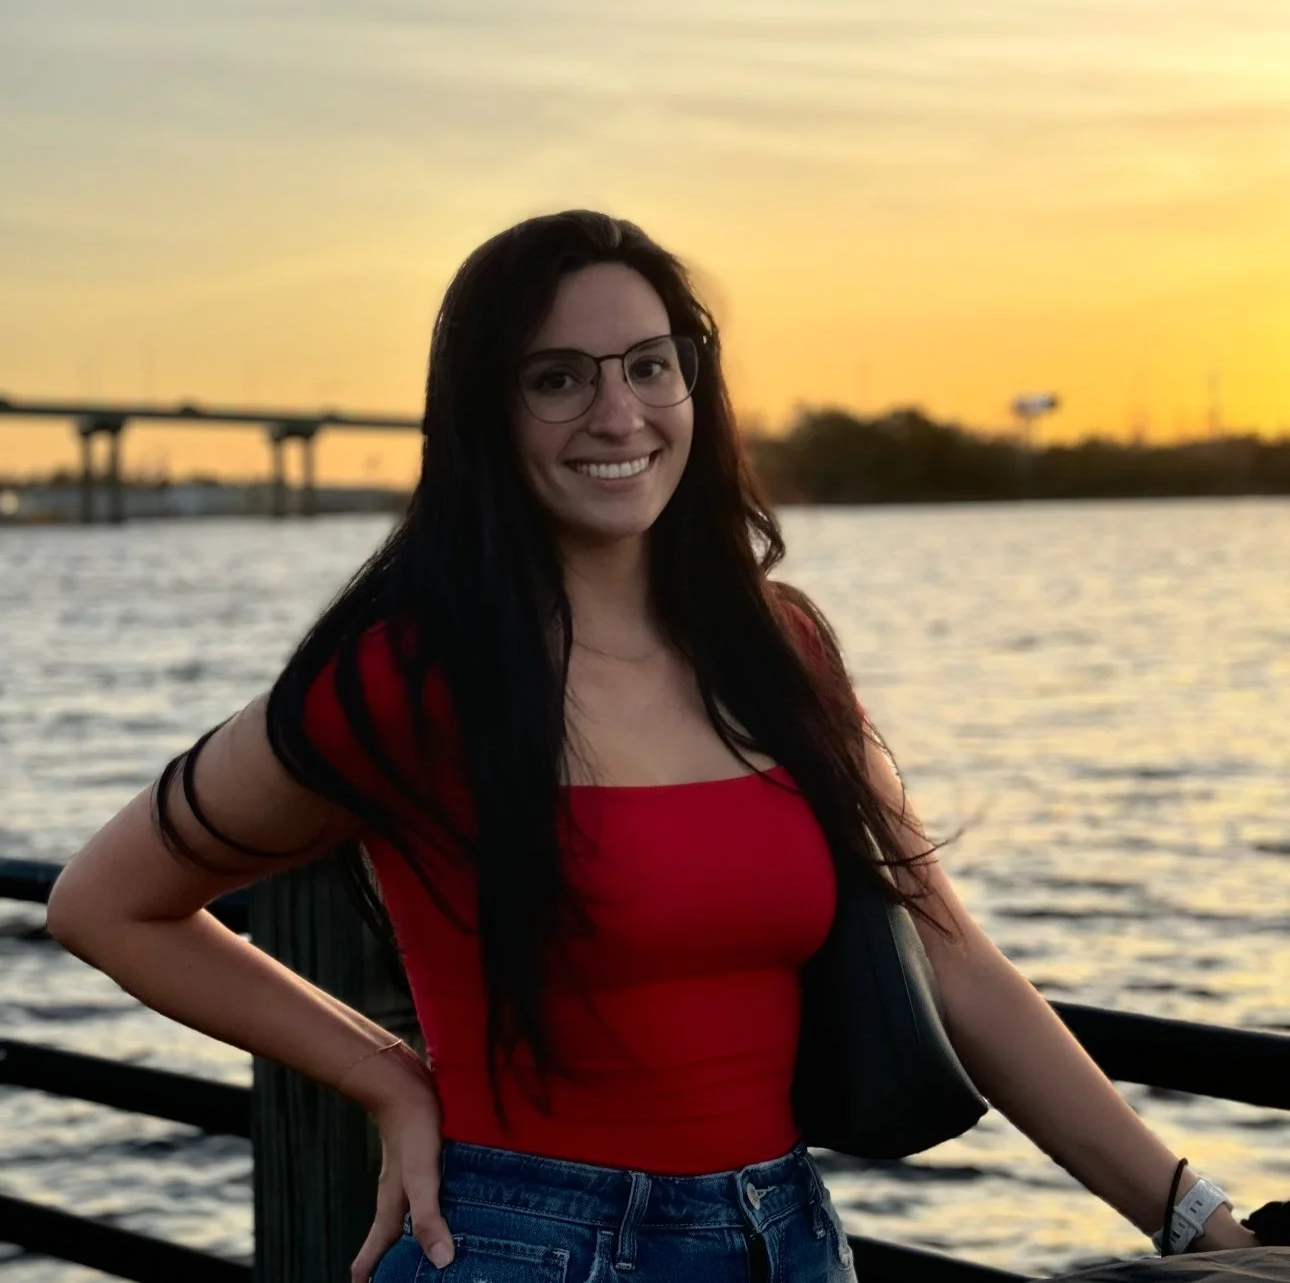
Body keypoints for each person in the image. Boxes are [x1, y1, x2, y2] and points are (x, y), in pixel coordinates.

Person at [45, 209, 1261, 1283]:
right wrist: (383, 1070)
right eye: (558, 378)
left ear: (694, 384)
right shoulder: (412, 676)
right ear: (488, 412)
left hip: (790, 1238)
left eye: (649, 365)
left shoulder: (779, 651)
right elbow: (107, 901)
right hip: (523, 1243)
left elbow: (957, 964)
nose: (618, 413)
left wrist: (1201, 1222)